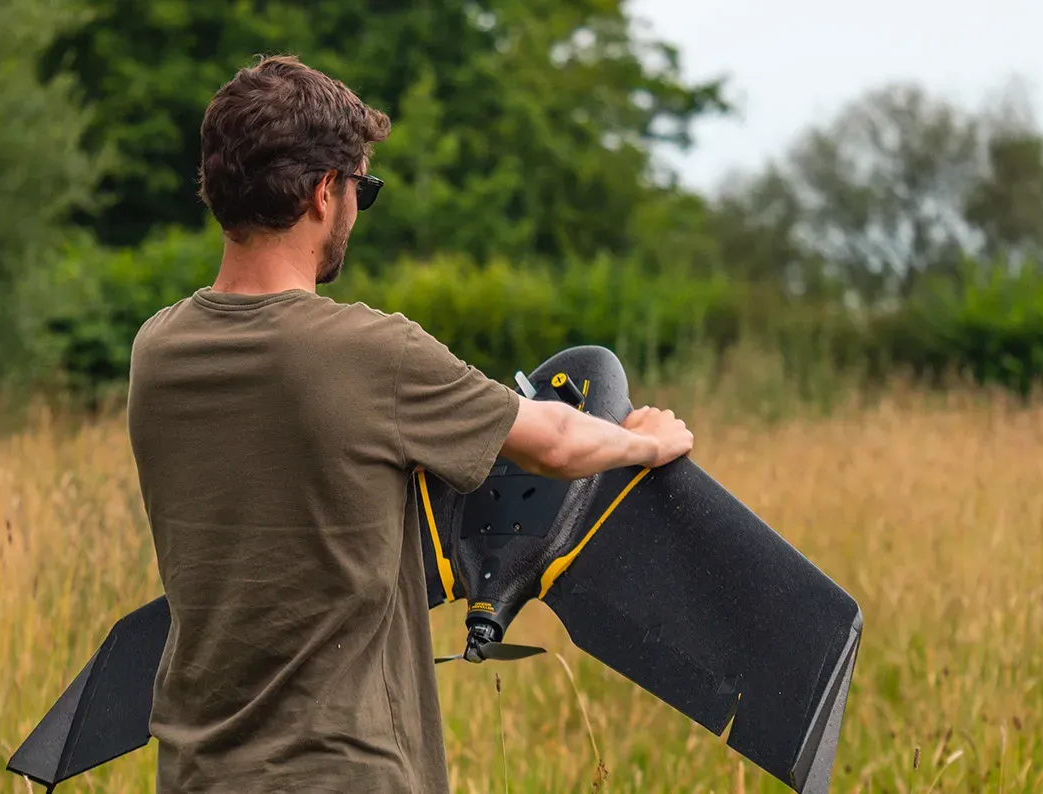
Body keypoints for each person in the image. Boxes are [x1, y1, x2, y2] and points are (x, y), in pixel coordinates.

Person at [126, 54, 694, 794]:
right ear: (326, 191)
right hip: (343, 771)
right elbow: (553, 441)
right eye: (363, 187)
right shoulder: (368, 353)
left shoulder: (158, 350)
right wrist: (647, 439)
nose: (358, 208)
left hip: (197, 770)